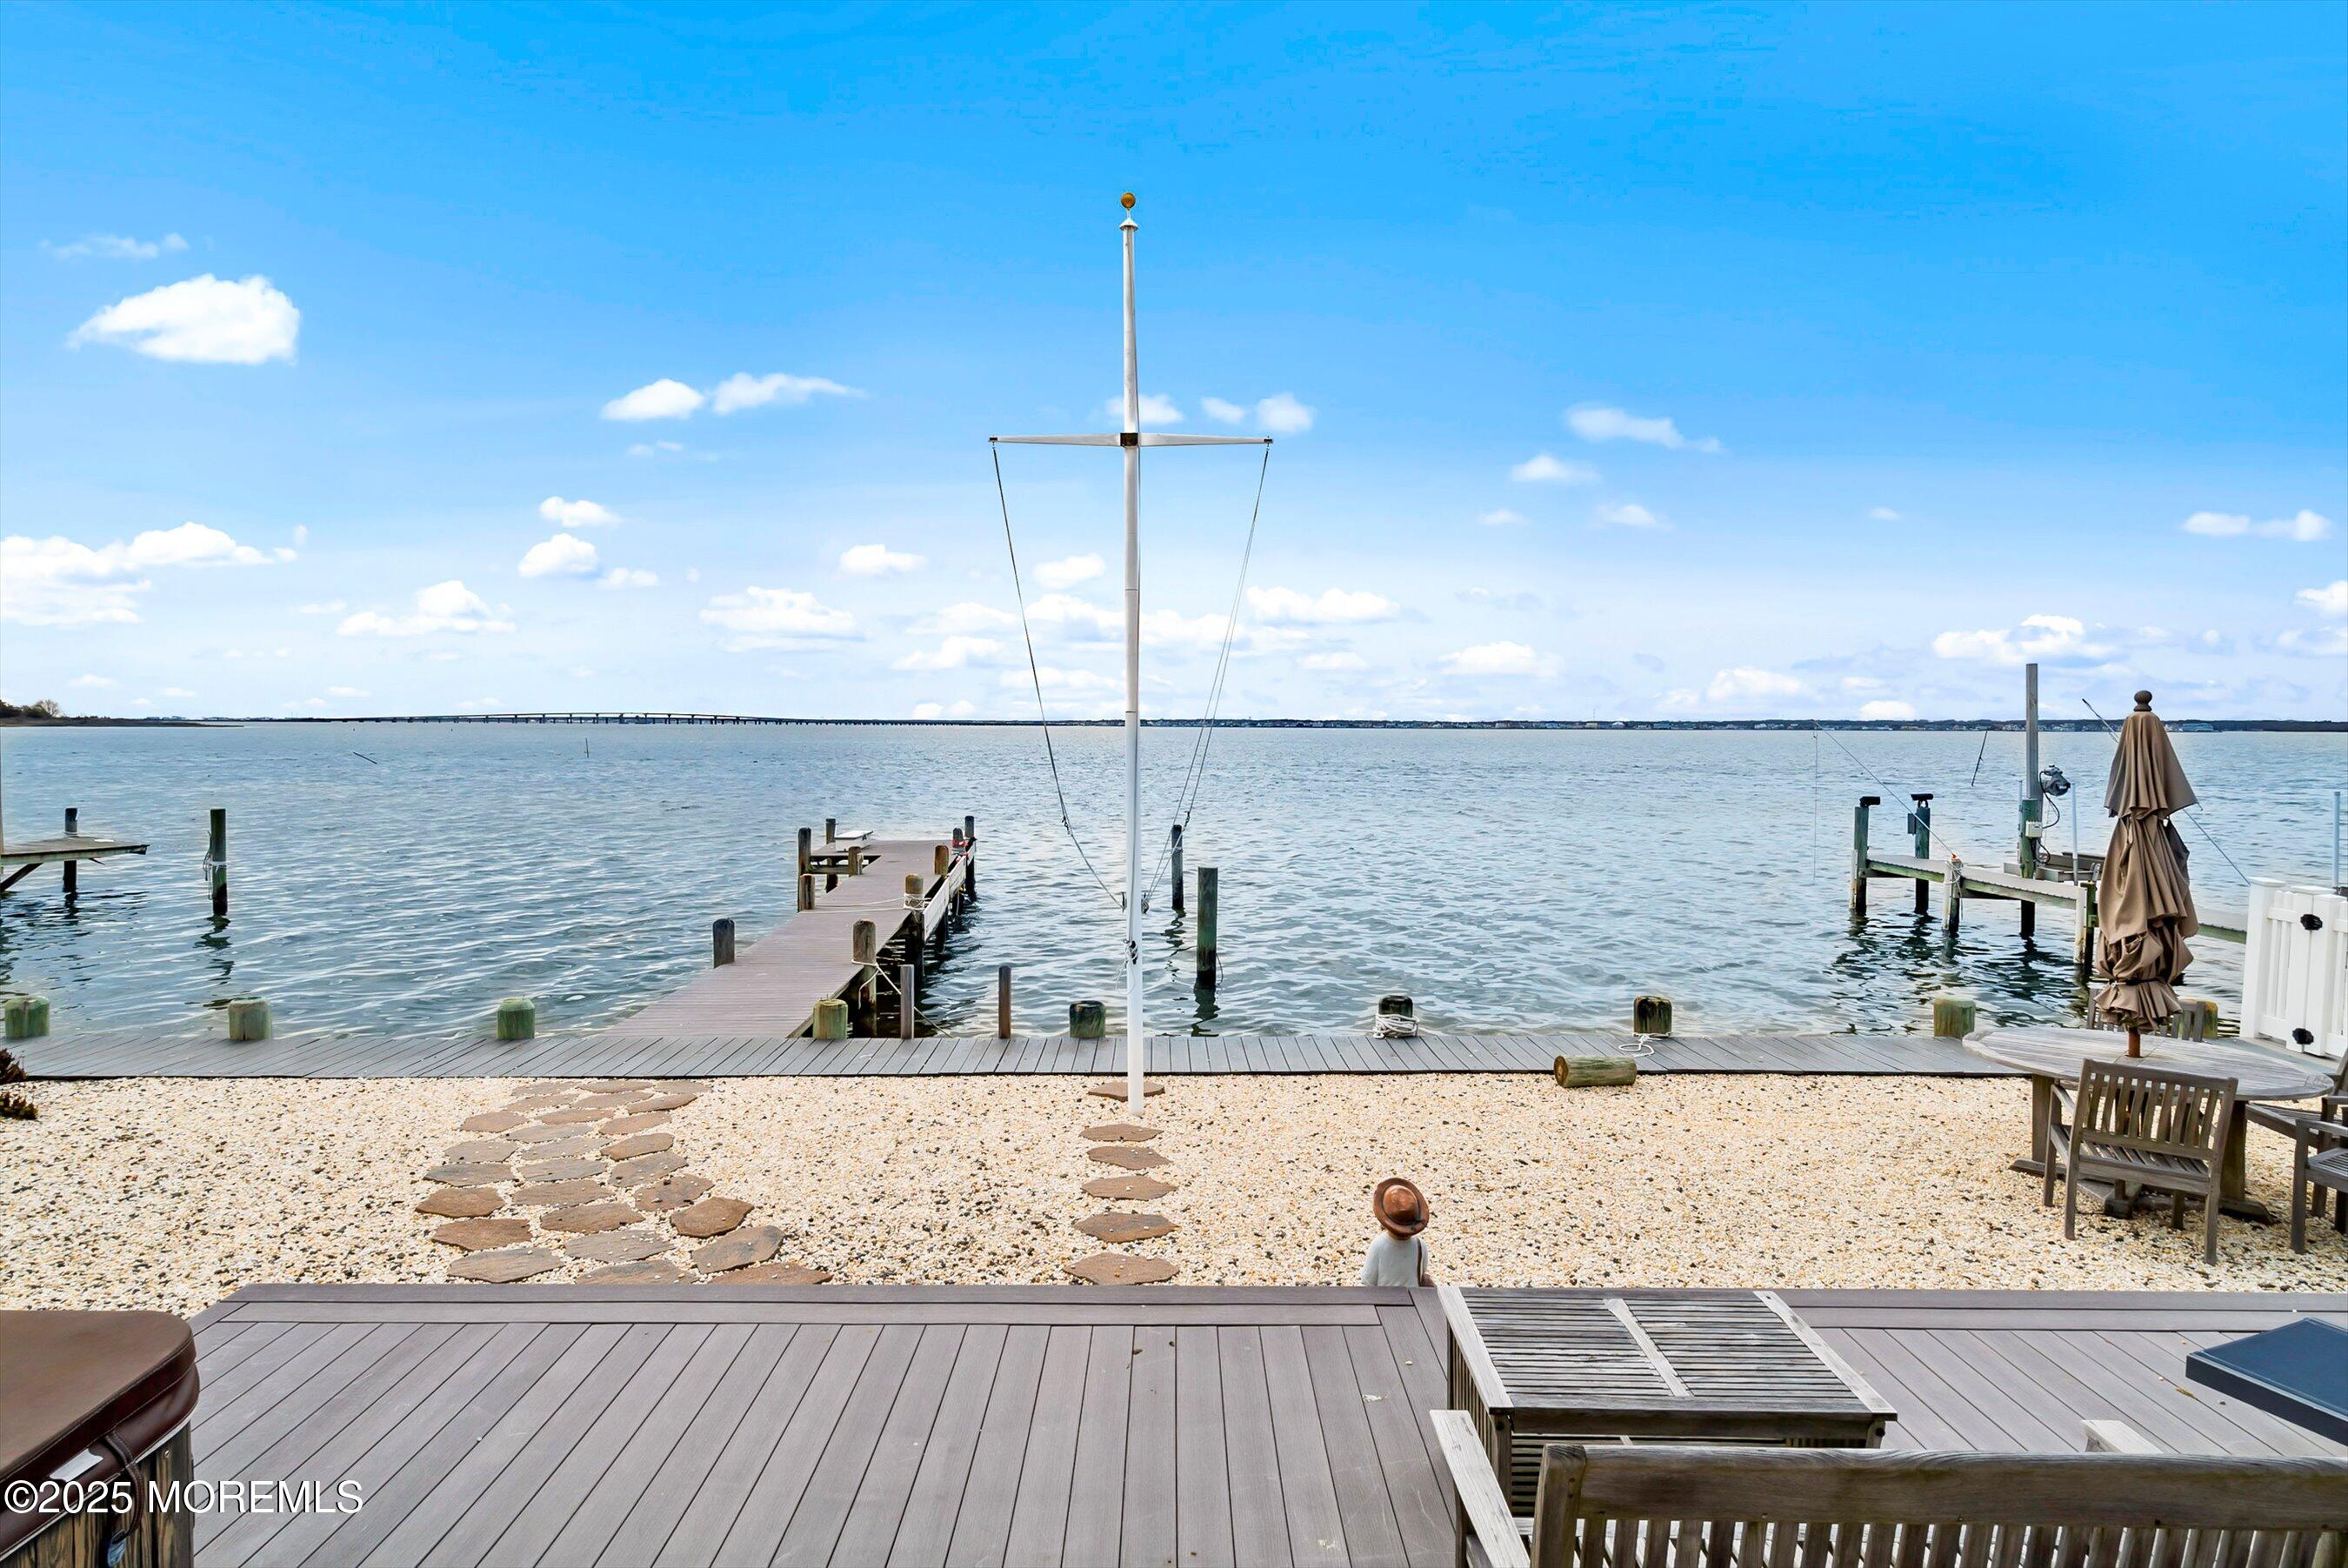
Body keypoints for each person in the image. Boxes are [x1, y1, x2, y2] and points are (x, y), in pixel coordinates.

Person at [1360, 1177, 1433, 1286]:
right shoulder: (1420, 1245)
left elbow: (1368, 1280)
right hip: (1413, 1300)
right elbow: (1422, 1272)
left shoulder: (1378, 1245)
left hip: (1384, 1302)